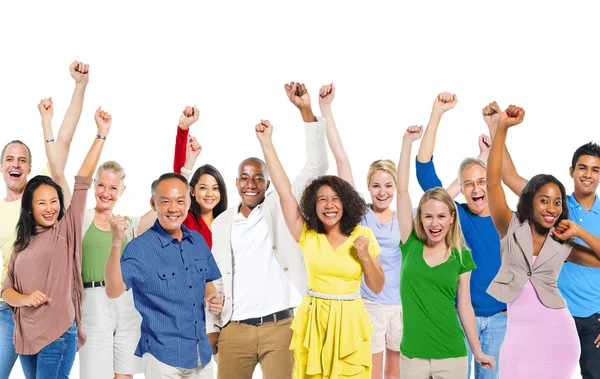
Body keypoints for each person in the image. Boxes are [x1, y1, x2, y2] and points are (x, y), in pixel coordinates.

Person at [207, 82, 328, 379]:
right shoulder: (222, 223)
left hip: (281, 326)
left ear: (268, 183)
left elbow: (316, 166)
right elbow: (216, 278)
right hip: (234, 329)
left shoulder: (280, 205)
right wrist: (212, 327)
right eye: (245, 178)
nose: (251, 184)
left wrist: (305, 110)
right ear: (236, 183)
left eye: (258, 178)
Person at [256, 117, 385, 378]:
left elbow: (377, 286)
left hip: (350, 324)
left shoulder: (363, 235)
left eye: (335, 199)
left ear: (346, 202)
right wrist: (267, 144)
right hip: (315, 323)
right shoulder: (307, 235)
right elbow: (284, 193)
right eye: (322, 200)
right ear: (313, 206)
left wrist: (364, 256)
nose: (329, 205)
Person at [485, 105, 600, 378]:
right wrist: (499, 128)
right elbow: (497, 182)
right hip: (521, 336)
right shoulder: (511, 226)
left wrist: (579, 233)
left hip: (568, 330)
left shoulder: (563, 239)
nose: (551, 207)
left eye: (556, 203)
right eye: (544, 201)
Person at [1, 107, 111, 378]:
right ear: (29, 208)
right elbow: (6, 291)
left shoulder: (66, 230)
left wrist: (101, 134)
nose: (50, 208)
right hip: (25, 336)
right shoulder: (21, 244)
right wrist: (26, 298)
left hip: (57, 335)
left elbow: (83, 179)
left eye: (54, 201)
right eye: (42, 203)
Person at [0, 60, 89, 377]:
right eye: (9, 159)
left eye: (22, 159)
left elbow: (63, 140)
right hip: (7, 306)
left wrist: (79, 87)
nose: (16, 164)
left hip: (44, 308)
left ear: (29, 167)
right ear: (2, 167)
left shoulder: (41, 199)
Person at [415, 93, 505, 378]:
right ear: (462, 191)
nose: (476, 188)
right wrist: (437, 112)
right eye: (468, 185)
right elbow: (425, 171)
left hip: (499, 321)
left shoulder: (507, 218)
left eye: (481, 182)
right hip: (458, 317)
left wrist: (485, 158)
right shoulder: (458, 217)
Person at [317, 82, 402, 379]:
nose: (382, 191)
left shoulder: (405, 217)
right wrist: (326, 109)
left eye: (388, 185)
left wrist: (481, 158)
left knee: (397, 371)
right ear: (368, 187)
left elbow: (445, 198)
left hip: (401, 304)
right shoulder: (361, 215)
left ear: (396, 188)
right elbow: (342, 160)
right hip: (370, 304)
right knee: (371, 371)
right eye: (376, 185)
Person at [103, 173, 224, 379]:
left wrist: (213, 298)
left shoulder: (197, 241)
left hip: (200, 356)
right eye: (165, 201)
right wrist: (116, 243)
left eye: (180, 201)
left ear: (188, 202)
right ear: (153, 203)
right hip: (163, 358)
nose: (173, 209)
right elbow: (113, 290)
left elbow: (207, 281)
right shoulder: (140, 248)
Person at [398, 125, 495, 378]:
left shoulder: (461, 255)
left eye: (441, 216)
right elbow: (402, 190)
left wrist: (478, 352)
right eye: (428, 216)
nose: (434, 222)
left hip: (452, 355)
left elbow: (464, 306)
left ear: (453, 217)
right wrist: (406, 143)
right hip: (412, 357)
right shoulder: (411, 244)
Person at [78, 160, 157, 379]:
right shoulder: (81, 219)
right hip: (93, 302)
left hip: (126, 302)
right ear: (94, 185)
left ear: (122, 191)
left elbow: (165, 206)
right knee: (95, 374)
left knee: (124, 375)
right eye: (102, 185)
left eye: (113, 188)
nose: (106, 193)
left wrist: (186, 169)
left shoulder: (126, 224)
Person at [172, 105, 228, 248]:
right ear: (191, 191)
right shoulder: (187, 220)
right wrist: (182, 130)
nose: (210, 193)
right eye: (203, 187)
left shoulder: (226, 224)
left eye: (215, 188)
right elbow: (177, 182)